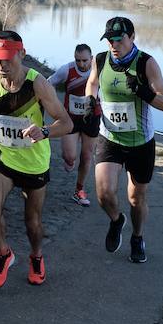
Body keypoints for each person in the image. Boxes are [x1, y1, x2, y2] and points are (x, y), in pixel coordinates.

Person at [0, 32, 73, 287]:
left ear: (21, 53)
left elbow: (66, 123)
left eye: (7, 58)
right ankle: (4, 253)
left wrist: (43, 131)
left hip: (34, 163)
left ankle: (36, 256)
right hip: (3, 157)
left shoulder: (38, 85)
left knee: (32, 222)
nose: (2, 65)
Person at [85, 16, 163, 264]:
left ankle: (137, 236)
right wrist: (92, 101)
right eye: (109, 40)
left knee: (136, 198)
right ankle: (116, 220)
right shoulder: (100, 60)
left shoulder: (147, 63)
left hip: (140, 143)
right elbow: (91, 84)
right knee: (103, 193)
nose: (114, 44)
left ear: (132, 38)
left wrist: (143, 91)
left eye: (119, 39)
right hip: (110, 137)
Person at [47, 43, 99, 206]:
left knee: (86, 156)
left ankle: (79, 190)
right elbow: (48, 84)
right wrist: (53, 103)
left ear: (91, 59)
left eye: (85, 60)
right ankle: (69, 162)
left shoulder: (99, 71)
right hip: (70, 118)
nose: (82, 64)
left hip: (92, 118)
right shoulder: (66, 70)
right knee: (70, 156)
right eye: (78, 61)